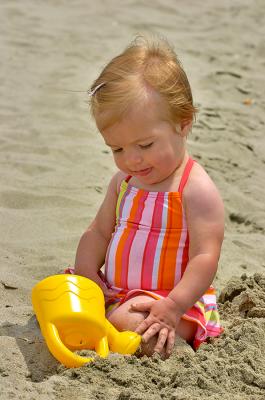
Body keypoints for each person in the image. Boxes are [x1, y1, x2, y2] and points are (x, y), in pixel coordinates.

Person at [72, 35, 224, 358]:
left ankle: (112, 329)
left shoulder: (194, 188)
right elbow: (98, 232)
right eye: (117, 148)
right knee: (66, 288)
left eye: (144, 146)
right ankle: (102, 318)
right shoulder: (123, 183)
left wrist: (172, 305)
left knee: (137, 327)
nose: (132, 159)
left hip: (170, 304)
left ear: (182, 125)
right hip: (116, 292)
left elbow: (204, 258)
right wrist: (87, 274)